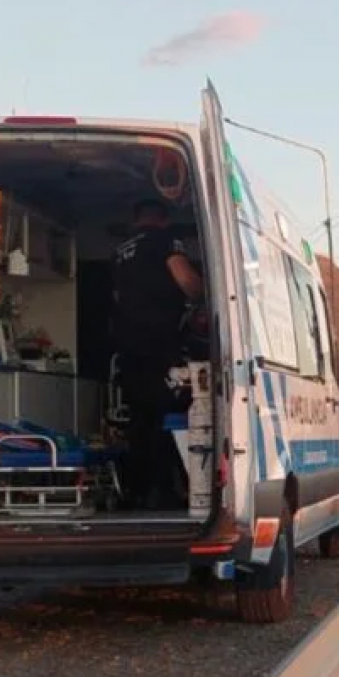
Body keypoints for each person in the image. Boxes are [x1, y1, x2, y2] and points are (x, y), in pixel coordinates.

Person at [111, 198, 203, 510]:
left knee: (140, 421)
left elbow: (118, 296)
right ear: (163, 220)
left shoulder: (121, 251)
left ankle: (136, 491)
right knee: (169, 419)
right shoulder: (165, 242)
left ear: (137, 219)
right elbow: (186, 281)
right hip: (160, 343)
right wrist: (204, 293)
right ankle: (164, 492)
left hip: (129, 347)